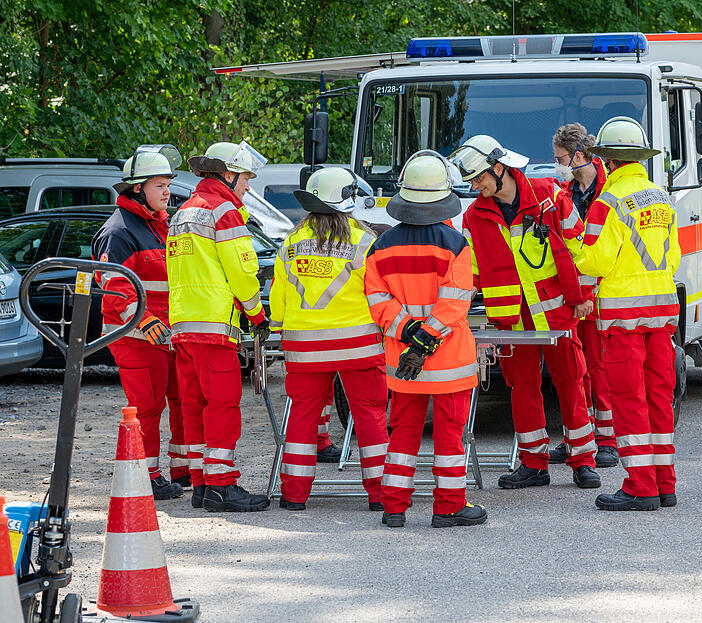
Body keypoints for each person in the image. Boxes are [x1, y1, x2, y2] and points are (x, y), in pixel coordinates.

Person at [450, 135, 601, 491]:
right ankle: (534, 463)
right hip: (511, 318)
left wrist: (583, 295)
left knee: (571, 382)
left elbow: (582, 250)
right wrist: (452, 305)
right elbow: (468, 269)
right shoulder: (473, 217)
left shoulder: (550, 196)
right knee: (521, 388)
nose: (474, 187)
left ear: (498, 168)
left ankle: (583, 460)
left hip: (557, 311)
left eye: (478, 179)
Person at [364, 151, 486, 529]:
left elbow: (378, 302)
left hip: (403, 363)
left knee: (402, 434)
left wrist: (408, 334)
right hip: (448, 362)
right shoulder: (456, 244)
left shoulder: (379, 247)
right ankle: (449, 507)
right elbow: (455, 305)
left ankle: (394, 508)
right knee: (450, 436)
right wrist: (427, 339)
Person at [575, 116, 681, 511]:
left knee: (628, 399)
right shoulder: (661, 196)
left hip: (623, 317)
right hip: (662, 311)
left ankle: (640, 486)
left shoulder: (607, 203)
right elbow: (673, 257)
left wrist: (572, 247)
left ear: (609, 160)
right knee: (658, 398)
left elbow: (596, 261)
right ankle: (664, 483)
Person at [269, 167, 388, 511]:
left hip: (304, 349)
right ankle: (381, 495)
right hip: (358, 346)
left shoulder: (291, 242)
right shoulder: (364, 241)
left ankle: (293, 495)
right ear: (348, 200)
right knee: (369, 416)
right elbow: (377, 293)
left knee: (302, 418)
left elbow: (279, 297)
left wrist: (280, 330)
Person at [167, 141, 270, 512]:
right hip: (214, 325)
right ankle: (222, 485)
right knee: (223, 405)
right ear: (228, 174)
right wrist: (257, 314)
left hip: (183, 325)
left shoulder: (183, 211)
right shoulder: (224, 210)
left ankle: (200, 483)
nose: (246, 186)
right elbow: (242, 272)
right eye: (244, 178)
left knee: (193, 405)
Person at [92, 145, 189, 500]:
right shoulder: (119, 231)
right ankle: (147, 475)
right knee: (147, 407)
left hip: (165, 333)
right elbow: (115, 287)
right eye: (160, 185)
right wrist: (146, 321)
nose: (167, 191)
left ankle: (182, 468)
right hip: (136, 335)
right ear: (137, 188)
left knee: (180, 400)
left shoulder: (160, 226)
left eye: (167, 185)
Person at [550, 122, 617, 468]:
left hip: (603, 290)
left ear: (579, 156)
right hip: (574, 292)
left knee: (599, 366)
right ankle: (577, 436)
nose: (558, 164)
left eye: (562, 158)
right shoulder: (566, 191)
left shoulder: (608, 190)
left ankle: (607, 439)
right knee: (575, 371)